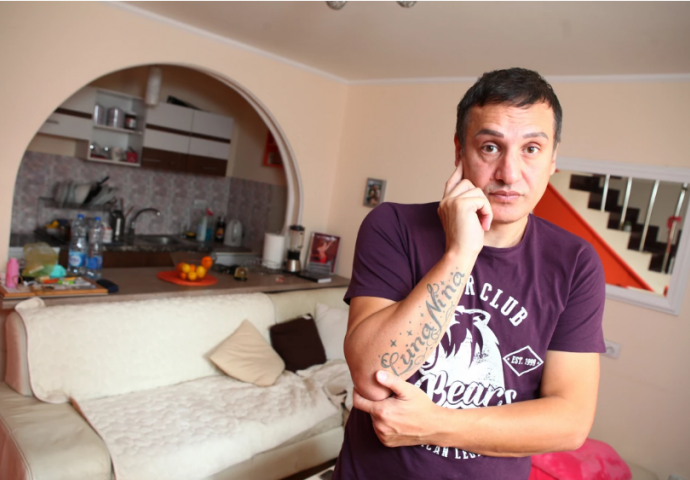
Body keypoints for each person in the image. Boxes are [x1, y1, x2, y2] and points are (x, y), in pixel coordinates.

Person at [333, 68, 606, 480]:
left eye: (531, 148)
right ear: (460, 151)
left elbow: (570, 422)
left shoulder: (576, 263)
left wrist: (435, 424)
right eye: (491, 147)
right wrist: (460, 253)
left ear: (553, 159)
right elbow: (373, 377)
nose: (509, 173)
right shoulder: (393, 226)